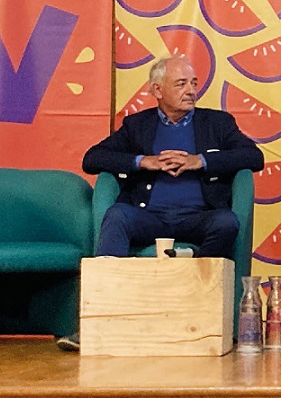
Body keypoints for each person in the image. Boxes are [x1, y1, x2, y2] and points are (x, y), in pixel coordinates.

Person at [56, 56, 264, 351]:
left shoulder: (217, 123)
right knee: (117, 215)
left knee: (226, 221)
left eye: (193, 83)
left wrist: (200, 161)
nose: (191, 90)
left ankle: (197, 313)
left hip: (199, 217)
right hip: (149, 217)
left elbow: (253, 157)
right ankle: (98, 321)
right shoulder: (137, 125)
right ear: (157, 90)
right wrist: (144, 161)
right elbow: (93, 158)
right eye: (181, 84)